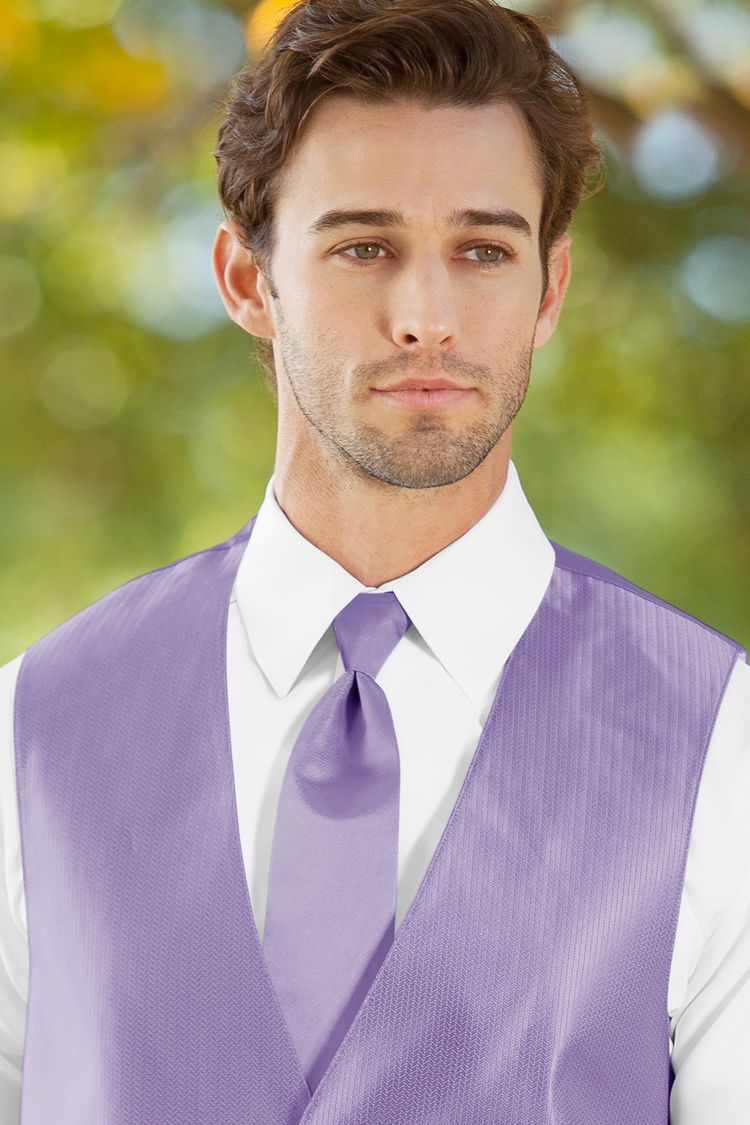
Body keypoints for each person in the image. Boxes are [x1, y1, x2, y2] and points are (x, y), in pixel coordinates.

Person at [0, 0, 748, 1121]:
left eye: (483, 249)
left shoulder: (725, 747)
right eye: (364, 246)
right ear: (248, 281)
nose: (425, 315)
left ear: (549, 290)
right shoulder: (31, 732)